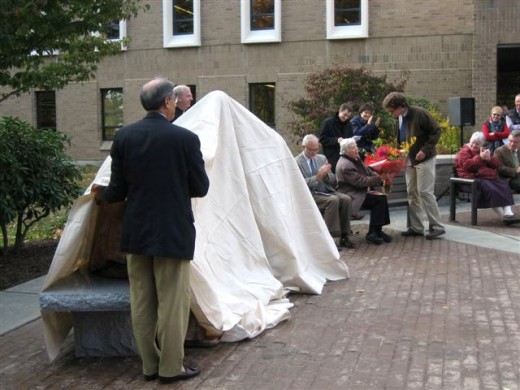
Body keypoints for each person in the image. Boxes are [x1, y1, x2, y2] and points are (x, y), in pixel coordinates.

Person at [93, 78, 210, 384]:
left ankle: (150, 365)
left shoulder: (123, 137)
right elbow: (201, 187)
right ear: (168, 102)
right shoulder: (185, 139)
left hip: (136, 231)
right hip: (172, 231)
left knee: (143, 302)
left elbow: (115, 192)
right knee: (173, 302)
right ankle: (172, 368)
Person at [382, 92, 445, 239]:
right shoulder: (398, 118)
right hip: (409, 159)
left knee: (425, 191)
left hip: (425, 158)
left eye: (392, 111)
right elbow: (400, 139)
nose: (391, 114)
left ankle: (437, 226)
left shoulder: (420, 113)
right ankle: (416, 227)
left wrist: (425, 150)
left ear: (400, 106)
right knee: (412, 192)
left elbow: (436, 131)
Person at [295, 134, 356, 249]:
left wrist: (327, 176)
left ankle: (345, 235)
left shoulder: (321, 158)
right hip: (311, 194)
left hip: (326, 190)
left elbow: (333, 180)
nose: (314, 152)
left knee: (346, 199)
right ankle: (330, 237)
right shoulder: (297, 162)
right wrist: (317, 177)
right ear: (304, 146)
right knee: (333, 201)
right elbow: (299, 184)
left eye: (316, 149)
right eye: (311, 150)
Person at [336, 138, 392, 245]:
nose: (356, 149)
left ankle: (377, 231)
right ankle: (372, 233)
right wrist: (380, 178)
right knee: (379, 200)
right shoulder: (345, 165)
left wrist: (378, 176)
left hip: (359, 191)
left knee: (381, 198)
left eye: (356, 146)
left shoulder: (355, 158)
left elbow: (368, 171)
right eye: (352, 148)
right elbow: (360, 181)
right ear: (345, 151)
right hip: (351, 195)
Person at [455, 131, 519, 225]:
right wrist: (480, 158)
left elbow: (496, 165)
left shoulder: (482, 150)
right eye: (472, 142)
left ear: (482, 144)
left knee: (503, 186)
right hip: (470, 181)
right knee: (491, 190)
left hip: (484, 178)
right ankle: (504, 216)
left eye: (477, 144)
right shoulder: (464, 152)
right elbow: (467, 166)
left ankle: (508, 213)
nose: (474, 145)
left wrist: (489, 159)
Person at [318, 102, 354, 173]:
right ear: (339, 111)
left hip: (344, 156)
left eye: (348, 116)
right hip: (331, 156)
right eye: (344, 115)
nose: (346, 118)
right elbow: (322, 139)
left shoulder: (349, 125)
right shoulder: (328, 122)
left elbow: (351, 138)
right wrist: (336, 140)